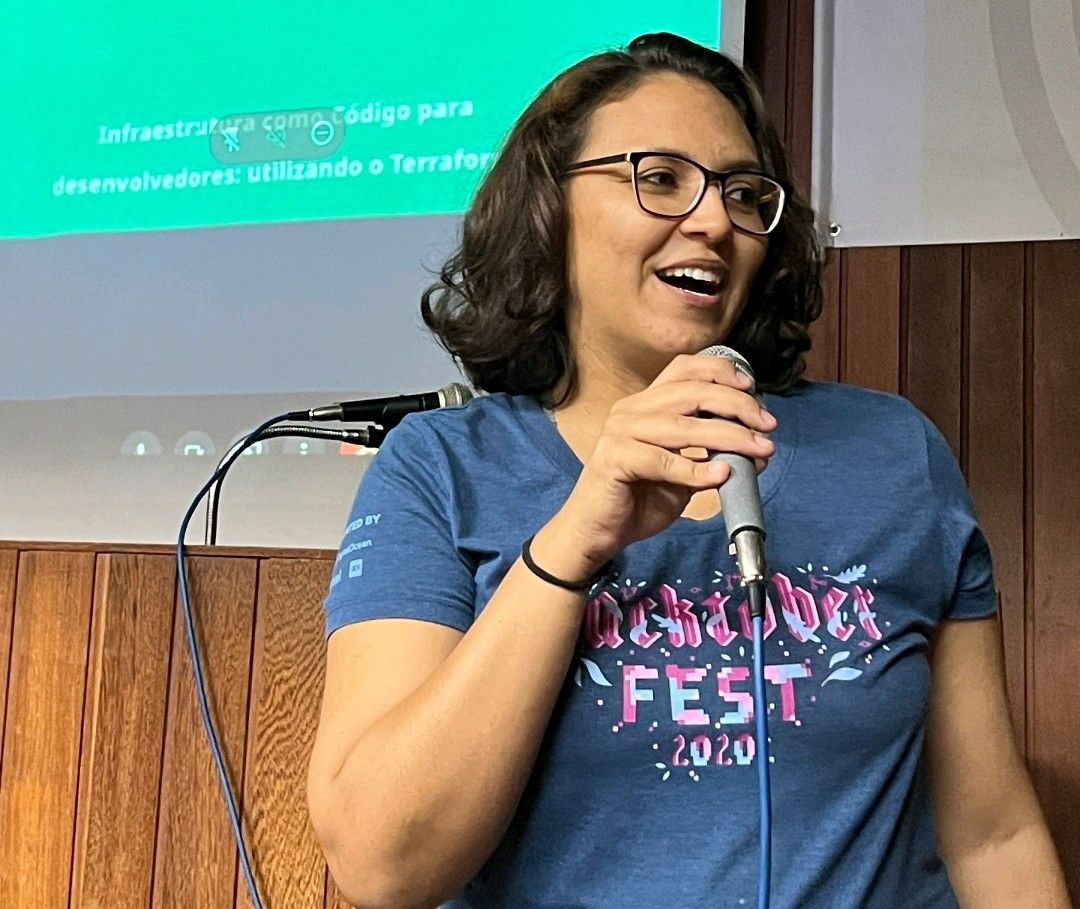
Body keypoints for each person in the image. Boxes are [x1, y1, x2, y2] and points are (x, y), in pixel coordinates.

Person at [307, 33, 1070, 909]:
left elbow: (992, 830)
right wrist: (572, 540)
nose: (713, 221)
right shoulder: (442, 468)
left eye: (744, 193)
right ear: (547, 210)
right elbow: (384, 864)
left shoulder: (894, 451)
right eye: (660, 177)